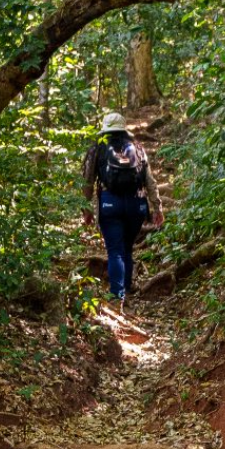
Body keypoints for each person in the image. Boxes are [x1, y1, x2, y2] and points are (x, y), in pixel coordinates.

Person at [82, 111, 163, 307]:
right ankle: (126, 286)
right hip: (136, 204)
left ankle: (117, 295)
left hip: (110, 203)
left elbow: (87, 181)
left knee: (115, 250)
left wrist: (86, 209)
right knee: (127, 247)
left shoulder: (97, 148)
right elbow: (150, 181)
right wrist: (157, 207)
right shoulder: (137, 147)